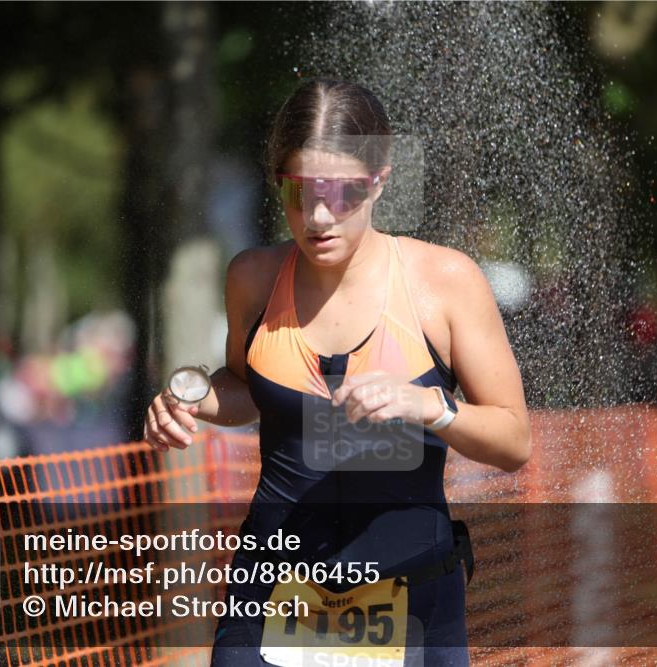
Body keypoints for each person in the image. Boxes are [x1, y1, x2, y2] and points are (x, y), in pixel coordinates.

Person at [144, 78, 531, 667]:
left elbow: (513, 441)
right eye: (299, 194)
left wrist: (432, 408)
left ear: (380, 178)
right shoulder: (252, 277)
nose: (319, 217)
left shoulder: (445, 283)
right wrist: (186, 396)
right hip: (272, 593)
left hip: (412, 599)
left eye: (343, 193)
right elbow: (247, 389)